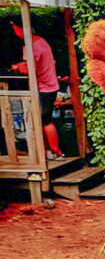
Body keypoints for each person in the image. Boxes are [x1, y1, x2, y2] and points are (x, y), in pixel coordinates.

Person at [10, 22, 62, 159]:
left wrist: (17, 68)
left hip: (42, 87)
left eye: (15, 28)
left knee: (44, 120)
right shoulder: (41, 42)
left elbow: (29, 69)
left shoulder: (30, 46)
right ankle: (47, 151)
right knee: (43, 119)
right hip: (51, 85)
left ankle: (55, 150)